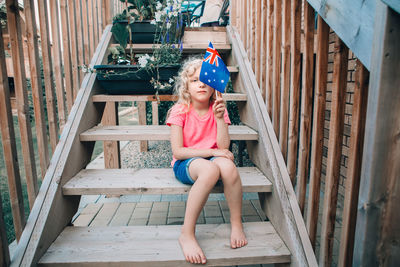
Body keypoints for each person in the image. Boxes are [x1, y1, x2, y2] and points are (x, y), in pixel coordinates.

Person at [166, 58, 248, 264]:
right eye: (194, 81)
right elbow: (178, 150)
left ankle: (236, 223)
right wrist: (212, 153)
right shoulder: (180, 110)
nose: (201, 84)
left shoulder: (218, 108)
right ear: (186, 86)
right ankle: (187, 233)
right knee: (210, 169)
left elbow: (223, 147)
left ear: (214, 87)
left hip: (211, 156)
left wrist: (220, 118)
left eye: (205, 80)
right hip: (186, 162)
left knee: (228, 167)